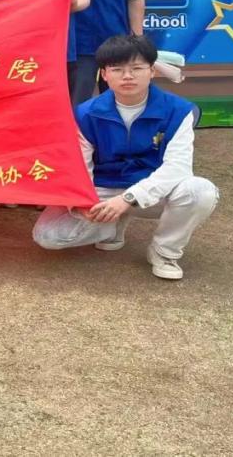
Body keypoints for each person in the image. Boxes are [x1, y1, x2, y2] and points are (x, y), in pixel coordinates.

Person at [33, 34, 218, 280]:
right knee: (48, 236)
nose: (127, 76)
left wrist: (128, 199)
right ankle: (112, 226)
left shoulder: (179, 111)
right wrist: (82, 204)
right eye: (117, 69)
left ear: (152, 71)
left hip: (151, 192)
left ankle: (165, 251)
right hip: (104, 189)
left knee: (200, 191)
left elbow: (178, 168)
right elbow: (79, 167)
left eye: (137, 68)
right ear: (104, 74)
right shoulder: (85, 114)